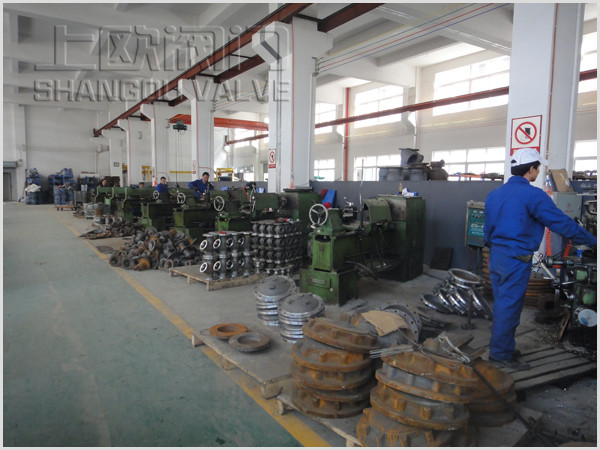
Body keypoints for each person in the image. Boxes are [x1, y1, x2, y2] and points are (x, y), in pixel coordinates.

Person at [484, 147, 596, 371]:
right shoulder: (533, 195)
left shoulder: (495, 194)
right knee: (509, 307)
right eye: (537, 168)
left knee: (502, 304)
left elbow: (488, 230)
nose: (538, 172)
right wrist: (593, 241)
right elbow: (561, 223)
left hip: (496, 257)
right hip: (516, 260)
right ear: (531, 169)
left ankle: (503, 346)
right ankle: (500, 355)